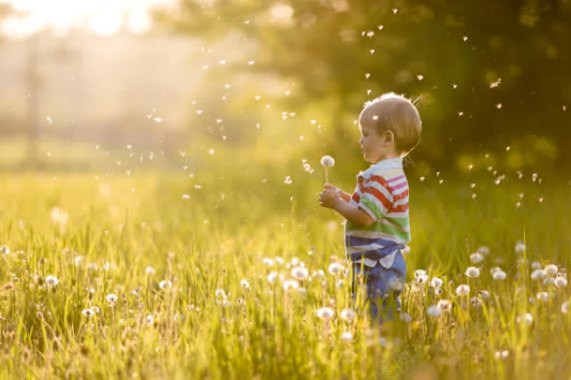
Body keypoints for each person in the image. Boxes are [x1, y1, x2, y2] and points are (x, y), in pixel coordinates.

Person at [319, 93, 422, 324]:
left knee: (375, 316)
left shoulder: (381, 179)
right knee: (382, 311)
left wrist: (337, 204)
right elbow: (370, 207)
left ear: (387, 138)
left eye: (366, 134)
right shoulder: (391, 173)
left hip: (376, 264)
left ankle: (382, 351)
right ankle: (388, 346)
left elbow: (365, 217)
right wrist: (344, 197)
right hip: (383, 260)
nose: (361, 141)